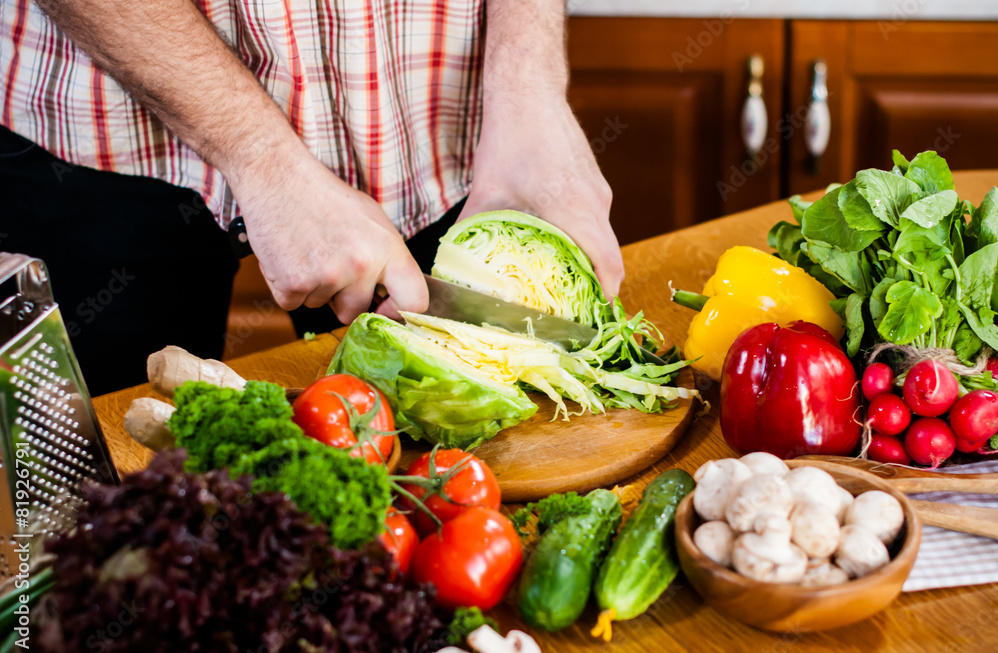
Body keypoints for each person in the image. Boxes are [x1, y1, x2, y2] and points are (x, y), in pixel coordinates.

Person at [0, 0, 623, 395]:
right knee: (108, 500)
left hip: (433, 117)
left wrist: (529, 81)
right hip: (105, 132)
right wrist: (261, 157)